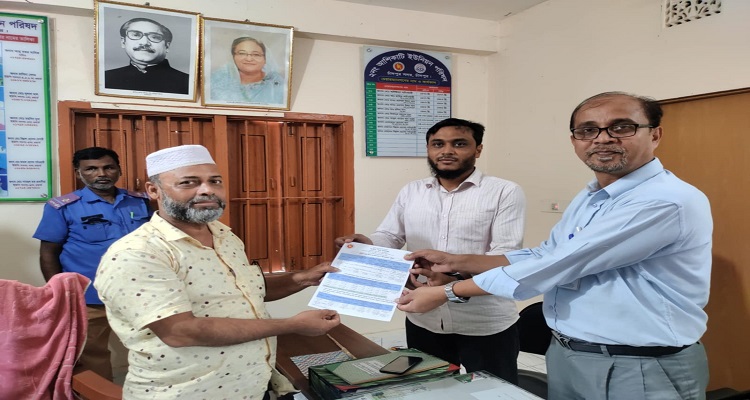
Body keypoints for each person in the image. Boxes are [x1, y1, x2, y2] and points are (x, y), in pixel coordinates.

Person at [397, 92, 712, 400]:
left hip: (637, 363)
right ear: (574, 140)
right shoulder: (591, 196)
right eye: (588, 130)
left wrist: (448, 290)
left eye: (621, 127)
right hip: (569, 351)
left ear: (655, 134)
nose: (603, 138)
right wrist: (455, 261)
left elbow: (557, 266)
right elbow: (545, 253)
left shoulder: (663, 200)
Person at [94, 144, 340, 399]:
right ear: (153, 190)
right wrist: (292, 325)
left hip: (253, 386)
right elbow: (180, 331)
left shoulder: (225, 236)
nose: (207, 190)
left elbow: (245, 290)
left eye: (215, 181)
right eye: (188, 182)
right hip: (187, 393)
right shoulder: (138, 252)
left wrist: (301, 279)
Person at [335, 118, 526, 383]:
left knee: (494, 391)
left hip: (484, 321)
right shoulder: (412, 191)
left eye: (459, 144)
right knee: (429, 388)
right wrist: (366, 243)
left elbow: (504, 256)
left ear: (478, 149)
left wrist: (453, 281)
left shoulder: (504, 191)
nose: (447, 151)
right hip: (423, 319)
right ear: (428, 149)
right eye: (438, 144)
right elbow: (391, 235)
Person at [32, 146, 152, 380]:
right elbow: (48, 253)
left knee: (153, 345)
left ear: (119, 170)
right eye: (91, 169)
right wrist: (59, 292)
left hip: (140, 292)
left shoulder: (140, 202)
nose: (101, 174)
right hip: (90, 296)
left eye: (108, 167)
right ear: (79, 173)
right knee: (90, 354)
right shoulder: (63, 207)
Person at [104, 17, 189, 94]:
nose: (144, 42)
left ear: (167, 46)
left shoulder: (187, 82)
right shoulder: (106, 78)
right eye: (136, 35)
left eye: (154, 37)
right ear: (123, 42)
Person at [209, 36, 286, 105]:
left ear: (265, 58)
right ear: (233, 57)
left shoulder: (278, 85)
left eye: (256, 54)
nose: (249, 59)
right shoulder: (216, 82)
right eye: (242, 53)